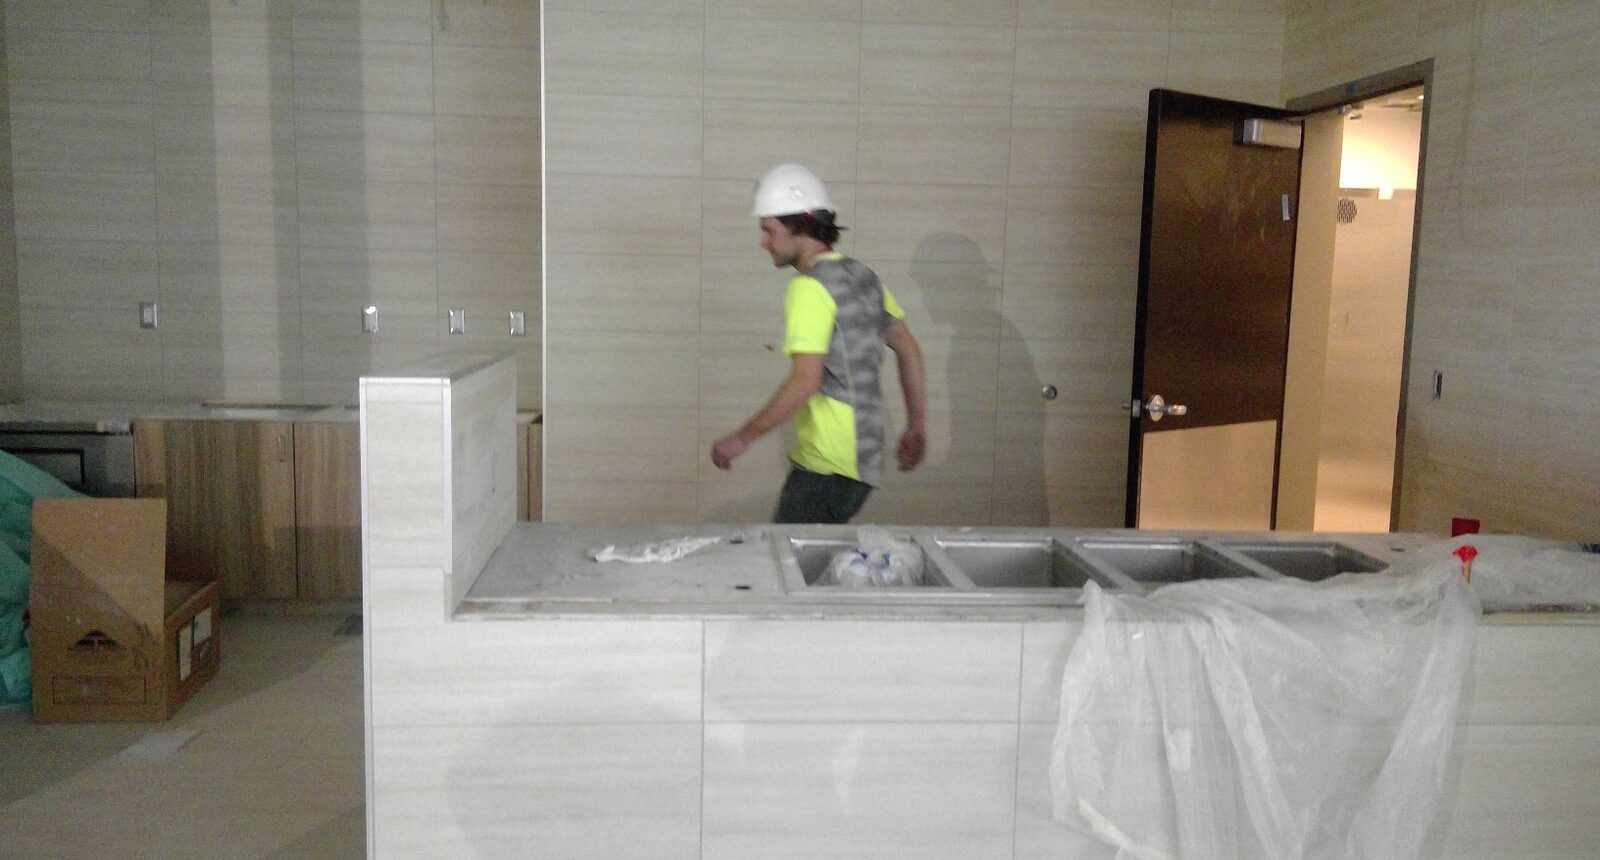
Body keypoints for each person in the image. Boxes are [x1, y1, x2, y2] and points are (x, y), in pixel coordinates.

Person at [710, 163, 928, 523]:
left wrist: (742, 438)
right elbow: (908, 348)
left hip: (826, 464)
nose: (763, 242)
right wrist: (916, 424)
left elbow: (805, 381)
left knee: (789, 568)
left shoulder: (808, 287)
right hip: (863, 464)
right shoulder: (862, 277)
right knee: (811, 564)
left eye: (769, 230)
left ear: (799, 226)